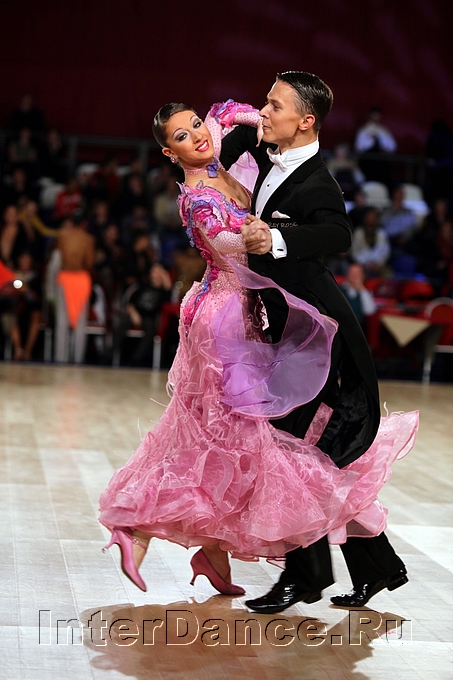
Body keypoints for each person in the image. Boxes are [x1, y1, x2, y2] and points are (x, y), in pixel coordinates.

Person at [98, 100, 417, 599]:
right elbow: (233, 248)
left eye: (196, 125)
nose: (197, 136)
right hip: (224, 320)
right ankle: (142, 528)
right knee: (243, 438)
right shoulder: (199, 197)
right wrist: (262, 235)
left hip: (256, 314)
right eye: (182, 137)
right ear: (168, 153)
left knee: (242, 437)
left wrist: (242, 121)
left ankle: (215, 551)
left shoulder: (232, 157)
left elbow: (232, 110)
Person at [219, 71, 412, 612]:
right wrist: (220, 136)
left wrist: (276, 238)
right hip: (288, 328)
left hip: (320, 334)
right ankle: (377, 566)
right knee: (317, 457)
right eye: (265, 101)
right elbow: (221, 147)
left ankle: (305, 577)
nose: (263, 111)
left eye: (274, 105)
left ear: (306, 121)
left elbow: (338, 235)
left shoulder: (318, 184)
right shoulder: (267, 145)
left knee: (291, 449)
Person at [54, 216, 94, 363]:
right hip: (81, 280)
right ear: (84, 224)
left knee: (61, 321)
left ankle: (60, 359)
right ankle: (78, 360)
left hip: (64, 278)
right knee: (80, 323)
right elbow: (89, 263)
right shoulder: (88, 239)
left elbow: (57, 258)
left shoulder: (62, 236)